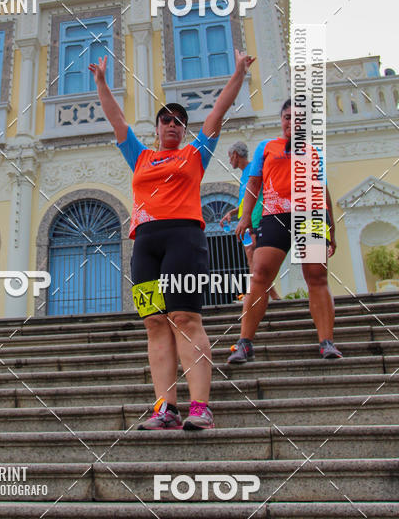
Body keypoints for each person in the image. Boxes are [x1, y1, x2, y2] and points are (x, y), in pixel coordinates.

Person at [90, 49, 254, 431]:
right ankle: (165, 409)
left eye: (180, 122)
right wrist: (101, 82)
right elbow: (116, 119)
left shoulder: (196, 154)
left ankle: (200, 408)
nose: (174, 126)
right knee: (155, 323)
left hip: (184, 238)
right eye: (167, 120)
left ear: (185, 130)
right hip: (144, 243)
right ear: (158, 126)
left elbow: (217, 113)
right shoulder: (140, 155)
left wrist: (239, 73)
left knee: (184, 317)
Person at [229, 99, 342, 363]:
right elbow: (254, 184)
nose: (292, 122)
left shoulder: (314, 152)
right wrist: (245, 216)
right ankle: (245, 343)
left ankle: (327, 342)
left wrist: (332, 231)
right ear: (281, 120)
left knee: (316, 276)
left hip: (312, 215)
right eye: (288, 117)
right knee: (260, 275)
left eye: (299, 118)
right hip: (275, 216)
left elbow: (323, 191)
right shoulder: (266, 147)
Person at [220, 141, 280, 301]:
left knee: (254, 257)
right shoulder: (244, 174)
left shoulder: (254, 169)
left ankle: (257, 293)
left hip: (255, 220)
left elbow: (257, 192)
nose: (229, 161)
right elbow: (245, 201)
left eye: (229, 157)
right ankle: (270, 295)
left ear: (235, 155)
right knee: (252, 258)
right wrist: (232, 213)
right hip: (246, 222)